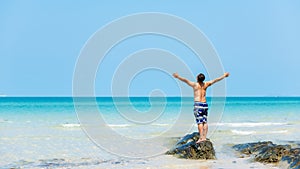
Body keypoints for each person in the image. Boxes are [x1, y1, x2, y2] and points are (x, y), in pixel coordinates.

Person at [173, 72, 229, 143]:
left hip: (198, 105)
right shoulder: (206, 84)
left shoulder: (195, 85)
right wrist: (224, 76)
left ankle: (201, 138)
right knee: (205, 121)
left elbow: (185, 80)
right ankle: (204, 137)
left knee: (199, 122)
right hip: (205, 104)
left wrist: (178, 77)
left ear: (197, 78)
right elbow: (215, 80)